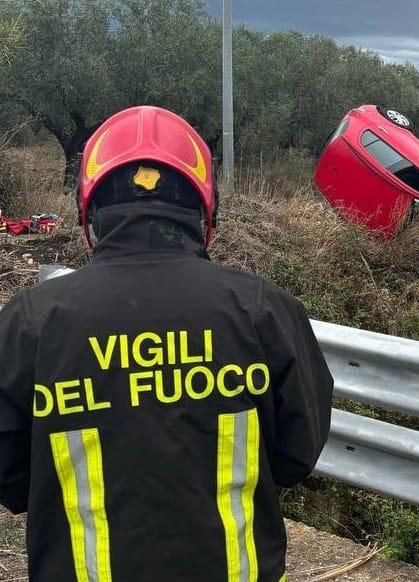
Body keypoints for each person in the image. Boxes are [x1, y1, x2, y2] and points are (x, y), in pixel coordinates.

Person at [0, 106, 334, 582]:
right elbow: (296, 455)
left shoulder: (29, 323)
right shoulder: (264, 312)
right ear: (203, 207)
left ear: (90, 211)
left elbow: (11, 481)